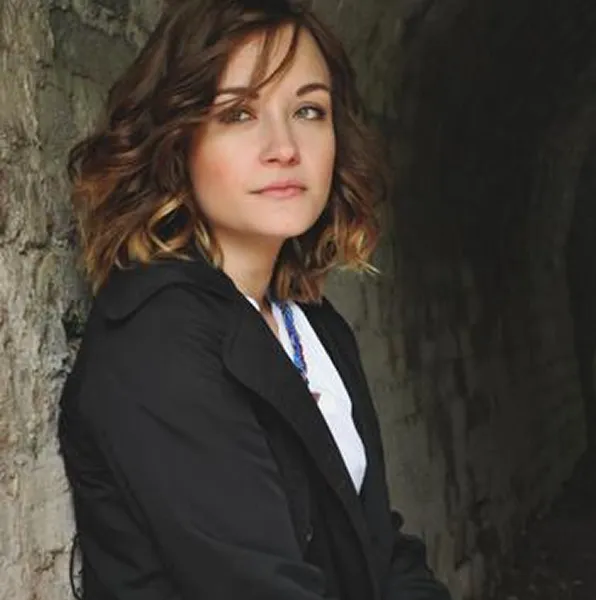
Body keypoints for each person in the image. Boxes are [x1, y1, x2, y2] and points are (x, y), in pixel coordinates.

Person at [57, 0, 452, 598]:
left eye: (308, 110)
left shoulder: (312, 325)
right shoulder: (157, 340)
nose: (284, 147)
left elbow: (379, 554)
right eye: (239, 113)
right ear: (177, 139)